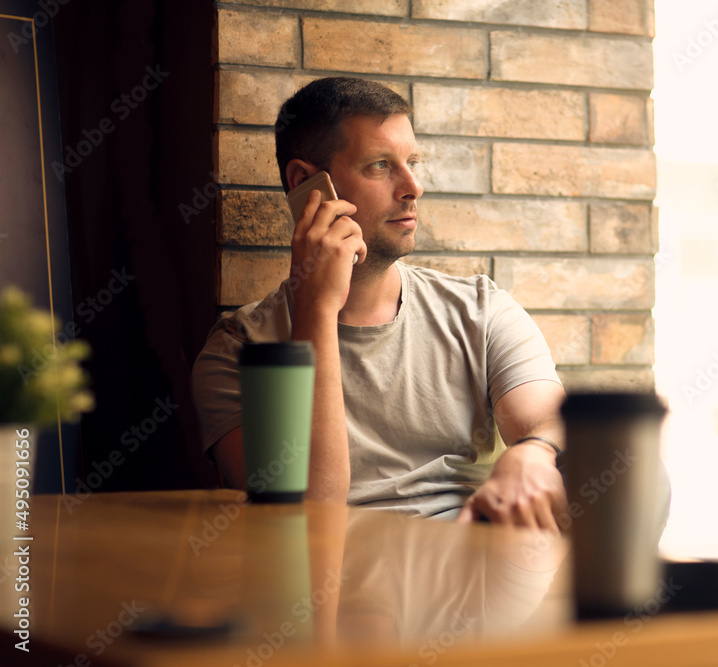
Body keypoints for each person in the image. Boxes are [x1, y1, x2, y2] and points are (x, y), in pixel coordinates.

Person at [191, 76, 569, 530]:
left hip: (472, 574)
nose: (413, 187)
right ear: (307, 184)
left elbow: (549, 419)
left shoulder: (481, 311)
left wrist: (533, 452)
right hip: (333, 583)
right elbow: (309, 511)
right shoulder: (236, 352)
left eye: (412, 161)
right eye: (379, 165)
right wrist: (316, 309)